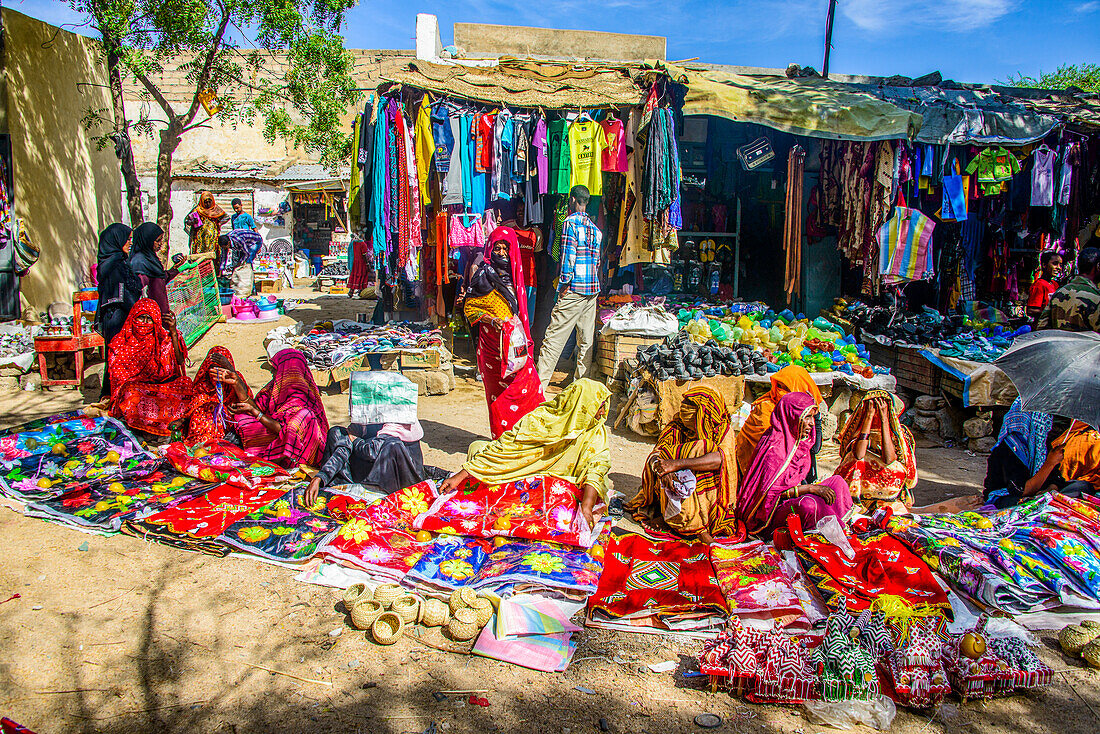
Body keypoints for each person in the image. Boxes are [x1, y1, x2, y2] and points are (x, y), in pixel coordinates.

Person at [437, 379, 611, 529]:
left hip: (556, 484)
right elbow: (507, 447)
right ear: (581, 405)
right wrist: (461, 475)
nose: (603, 413)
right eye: (600, 406)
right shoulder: (542, 418)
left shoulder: (596, 432)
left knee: (576, 493)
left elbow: (597, 468)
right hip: (522, 472)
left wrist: (587, 507)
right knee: (477, 448)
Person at [625, 386, 740, 543]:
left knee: (703, 448)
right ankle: (681, 522)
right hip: (678, 482)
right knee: (667, 476)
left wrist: (677, 464)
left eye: (692, 417)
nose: (684, 418)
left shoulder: (723, 430)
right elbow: (656, 455)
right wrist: (664, 471)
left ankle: (701, 523)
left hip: (709, 485)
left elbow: (720, 459)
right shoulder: (676, 426)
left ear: (705, 416)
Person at [736, 392, 853, 540]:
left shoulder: (799, 442)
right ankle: (826, 531)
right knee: (808, 506)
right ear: (792, 417)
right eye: (807, 417)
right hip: (770, 514)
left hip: (794, 496)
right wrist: (810, 489)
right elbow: (769, 496)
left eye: (813, 417)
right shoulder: (776, 448)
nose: (811, 423)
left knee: (838, 482)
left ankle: (838, 526)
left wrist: (812, 488)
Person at [464, 226, 544, 438]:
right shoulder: (483, 275)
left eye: (504, 249)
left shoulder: (517, 278)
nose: (500, 253)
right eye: (496, 248)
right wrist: (492, 320)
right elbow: (469, 308)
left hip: (515, 345)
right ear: (489, 248)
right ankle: (502, 438)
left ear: (512, 251)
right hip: (491, 347)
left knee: (529, 386)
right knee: (497, 396)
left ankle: (527, 436)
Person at [536, 185, 602, 388]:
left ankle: (539, 386)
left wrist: (563, 285)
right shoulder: (595, 229)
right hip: (592, 290)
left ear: (572, 200)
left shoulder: (569, 224)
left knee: (553, 339)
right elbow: (597, 262)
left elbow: (568, 258)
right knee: (585, 342)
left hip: (574, 289)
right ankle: (580, 387)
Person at [230, 345, 329, 469]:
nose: (273, 373)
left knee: (303, 416)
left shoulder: (301, 395)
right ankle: (268, 458)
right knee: (243, 417)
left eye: (276, 370)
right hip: (280, 439)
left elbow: (283, 429)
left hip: (300, 449)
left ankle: (271, 463)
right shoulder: (274, 388)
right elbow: (257, 407)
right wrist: (237, 384)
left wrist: (255, 413)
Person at [107, 298, 192, 436]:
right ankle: (139, 427)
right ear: (133, 317)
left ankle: (170, 427)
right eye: (141, 317)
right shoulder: (120, 343)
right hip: (137, 390)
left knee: (186, 384)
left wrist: (173, 333)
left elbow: (180, 361)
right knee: (131, 392)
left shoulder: (163, 339)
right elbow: (118, 380)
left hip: (161, 387)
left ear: (156, 321)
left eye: (149, 319)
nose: (145, 323)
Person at [304, 422, 431, 505]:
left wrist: (356, 439)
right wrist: (320, 477)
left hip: (393, 480)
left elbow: (371, 451)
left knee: (392, 445)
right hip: (366, 470)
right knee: (337, 432)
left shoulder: (397, 422)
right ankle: (340, 487)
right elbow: (344, 448)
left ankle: (365, 492)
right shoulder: (367, 414)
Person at [835, 391, 918, 513]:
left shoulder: (900, 434)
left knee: (893, 466)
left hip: (887, 488)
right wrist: (868, 417)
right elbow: (859, 455)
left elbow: (889, 459)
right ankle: (856, 502)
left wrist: (884, 420)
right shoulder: (859, 431)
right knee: (854, 461)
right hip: (863, 487)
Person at [734, 365, 823, 477]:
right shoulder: (766, 409)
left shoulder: (802, 412)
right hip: (760, 471)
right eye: (779, 386)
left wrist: (816, 417)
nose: (780, 392)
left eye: (785, 388)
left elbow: (814, 448)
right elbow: (773, 454)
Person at [95, 223, 140, 398]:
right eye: (127, 239)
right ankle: (112, 396)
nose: (130, 243)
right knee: (117, 358)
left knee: (118, 359)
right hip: (117, 318)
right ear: (117, 240)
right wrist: (141, 312)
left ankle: (114, 395)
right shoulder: (114, 265)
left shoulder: (119, 262)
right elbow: (122, 295)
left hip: (118, 316)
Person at [984, 398, 1054, 509]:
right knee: (1024, 505)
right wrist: (1050, 463)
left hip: (1037, 495)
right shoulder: (1009, 448)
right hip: (1008, 497)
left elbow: (1055, 480)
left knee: (1080, 487)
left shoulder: (1041, 445)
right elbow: (1021, 490)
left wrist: (1048, 490)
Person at [187, 346, 249, 443]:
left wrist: (231, 372)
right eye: (213, 368)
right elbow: (195, 402)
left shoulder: (235, 378)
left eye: (220, 368)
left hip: (230, 419)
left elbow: (246, 397)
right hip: (206, 421)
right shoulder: (204, 382)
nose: (217, 372)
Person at [1038, 247, 1100, 332]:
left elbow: (1041, 328)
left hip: (1058, 344)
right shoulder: (1095, 297)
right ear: (1098, 266)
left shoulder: (1059, 292)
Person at [128, 222, 183, 315]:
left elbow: (160, 280)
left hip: (160, 312)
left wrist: (175, 268)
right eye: (157, 241)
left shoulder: (151, 259)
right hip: (149, 316)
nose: (160, 244)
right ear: (148, 240)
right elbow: (138, 290)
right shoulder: (139, 262)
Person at [1026, 251, 1063, 322]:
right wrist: (1051, 311)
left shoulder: (1055, 284)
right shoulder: (1039, 285)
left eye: (1060, 265)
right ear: (1044, 265)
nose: (1059, 268)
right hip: (1042, 327)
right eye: (1055, 264)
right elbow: (1030, 310)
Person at [188, 191, 227, 256]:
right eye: (206, 202)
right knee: (200, 255)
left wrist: (220, 223)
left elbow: (226, 217)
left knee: (212, 254)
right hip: (200, 238)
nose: (208, 204)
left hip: (212, 238)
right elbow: (187, 221)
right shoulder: (197, 210)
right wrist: (193, 222)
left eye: (210, 202)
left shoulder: (216, 209)